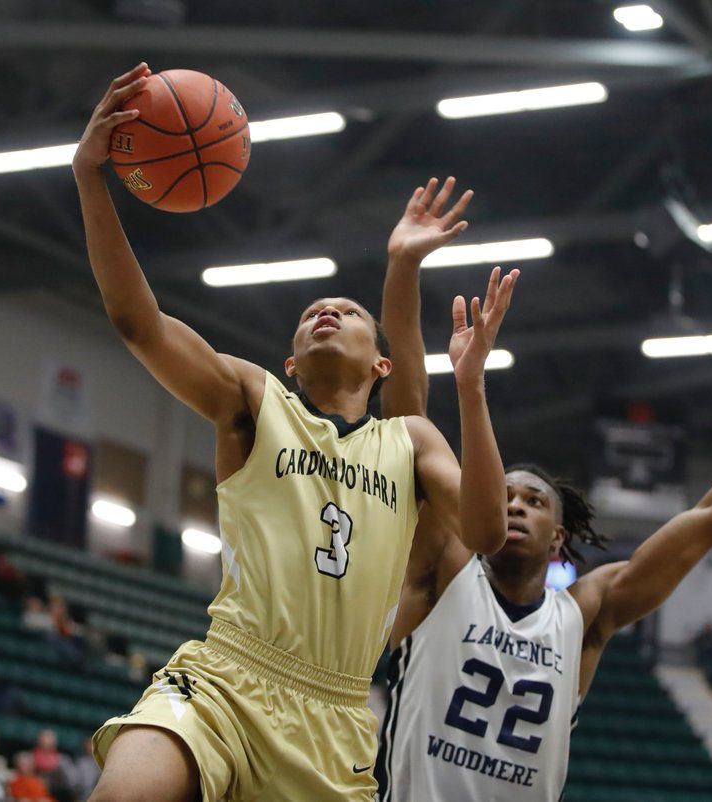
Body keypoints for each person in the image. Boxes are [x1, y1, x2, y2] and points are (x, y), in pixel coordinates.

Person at [73, 63, 517, 802]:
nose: (324, 312)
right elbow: (137, 323)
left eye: (345, 309)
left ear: (380, 362)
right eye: (311, 311)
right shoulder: (254, 399)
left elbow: (487, 529)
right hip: (223, 678)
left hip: (334, 713)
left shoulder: (409, 441)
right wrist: (90, 177)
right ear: (289, 359)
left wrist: (469, 386)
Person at [372, 178, 712, 801]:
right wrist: (403, 267)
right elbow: (406, 414)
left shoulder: (585, 613)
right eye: (506, 492)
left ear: (560, 536)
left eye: (534, 500)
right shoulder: (443, 567)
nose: (513, 502)